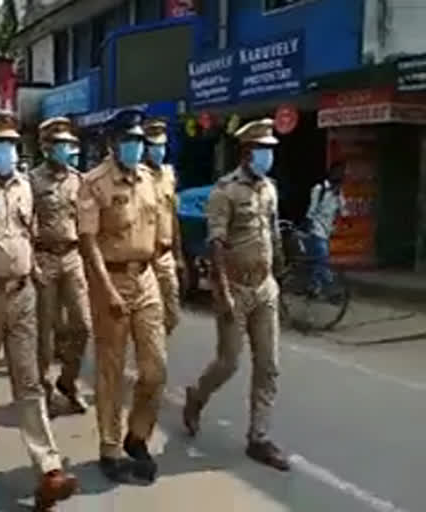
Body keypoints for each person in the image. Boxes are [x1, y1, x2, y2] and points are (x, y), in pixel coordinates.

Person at [0, 112, 78, 509]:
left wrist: (34, 271)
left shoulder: (24, 186)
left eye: (11, 143)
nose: (7, 150)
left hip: (23, 295)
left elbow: (27, 233)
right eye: (0, 144)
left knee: (30, 380)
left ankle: (48, 466)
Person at [183, 118, 290, 472]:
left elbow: (272, 234)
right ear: (246, 153)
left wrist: (278, 274)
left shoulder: (269, 189)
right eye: (263, 151)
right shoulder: (224, 192)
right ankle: (196, 397)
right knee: (228, 362)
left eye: (271, 151)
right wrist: (223, 293)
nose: (268, 157)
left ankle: (259, 437)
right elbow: (216, 245)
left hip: (264, 288)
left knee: (269, 365)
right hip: (235, 287)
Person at [78, 109, 166, 483]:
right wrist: (107, 290)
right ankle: (110, 447)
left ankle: (138, 434)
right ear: (113, 144)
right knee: (111, 370)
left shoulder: (149, 179)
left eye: (138, 140)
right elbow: (88, 242)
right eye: (128, 140)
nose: (135, 146)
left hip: (146, 280)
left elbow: (159, 233)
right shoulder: (94, 183)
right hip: (110, 281)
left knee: (155, 370)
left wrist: (166, 270)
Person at [30, 116, 92, 415]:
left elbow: (86, 225)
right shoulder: (31, 181)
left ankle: (69, 380)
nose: (66, 150)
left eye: (69, 144)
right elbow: (23, 225)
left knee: (82, 325)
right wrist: (31, 264)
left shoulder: (79, 181)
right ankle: (43, 388)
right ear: (46, 148)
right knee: (45, 331)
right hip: (43, 258)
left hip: (72, 258)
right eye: (60, 145)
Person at [143, 118, 184, 333]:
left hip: (166, 254)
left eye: (161, 146)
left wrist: (179, 255)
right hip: (144, 257)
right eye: (153, 146)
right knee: (148, 315)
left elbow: (172, 216)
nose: (158, 151)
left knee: (172, 314)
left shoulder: (169, 174)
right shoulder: (138, 177)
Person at [305, 161, 346, 295]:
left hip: (327, 231)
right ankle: (331, 286)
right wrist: (310, 230)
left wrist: (338, 196)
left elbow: (343, 212)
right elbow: (311, 212)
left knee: (318, 261)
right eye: (337, 173)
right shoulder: (319, 189)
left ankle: (314, 287)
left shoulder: (338, 193)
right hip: (317, 230)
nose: (340, 176)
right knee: (322, 258)